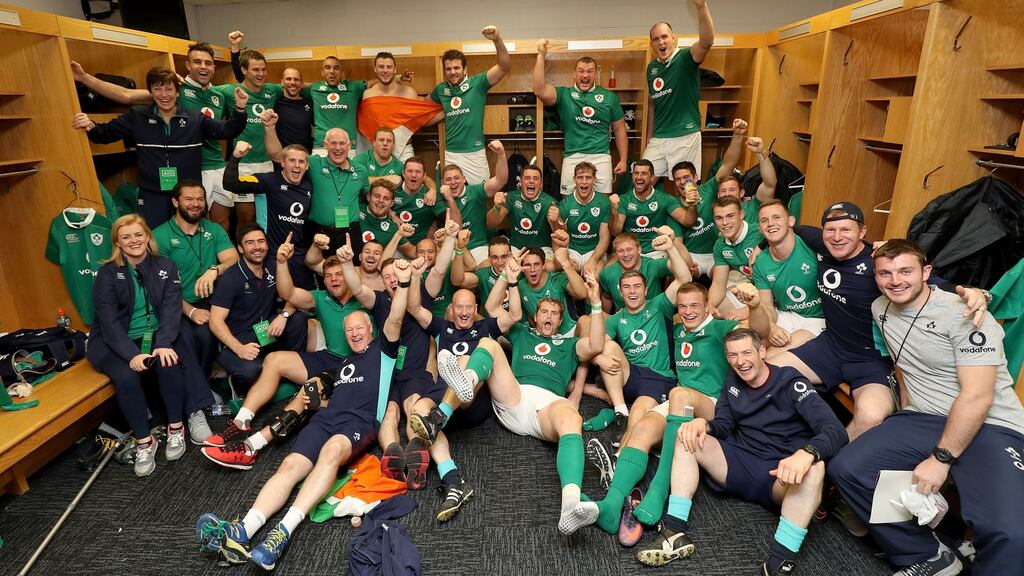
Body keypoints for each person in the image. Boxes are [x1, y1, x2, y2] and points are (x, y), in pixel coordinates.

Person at [196, 261, 408, 570]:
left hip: (358, 423)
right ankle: (244, 529)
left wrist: (402, 285)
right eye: (349, 331)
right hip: (326, 419)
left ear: (371, 330)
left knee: (333, 450)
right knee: (290, 465)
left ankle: (282, 532)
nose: (354, 333)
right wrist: (312, 403)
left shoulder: (383, 352)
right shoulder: (344, 364)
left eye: (360, 328)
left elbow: (396, 319)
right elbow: (327, 397)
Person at [828, 240, 1024, 576]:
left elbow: (977, 397)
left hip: (990, 424)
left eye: (906, 271)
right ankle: (927, 554)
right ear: (876, 278)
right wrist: (902, 413)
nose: (896, 280)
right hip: (922, 417)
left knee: (1012, 532)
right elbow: (903, 365)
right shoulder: (881, 308)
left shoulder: (966, 314)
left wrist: (940, 459)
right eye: (885, 273)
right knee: (848, 468)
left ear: (926, 273)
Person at [635, 328, 846, 576]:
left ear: (762, 352)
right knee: (687, 435)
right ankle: (674, 533)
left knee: (815, 467)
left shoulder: (791, 382)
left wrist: (806, 453)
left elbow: (835, 431)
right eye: (733, 355)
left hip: (780, 474)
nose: (741, 361)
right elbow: (724, 424)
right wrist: (704, 424)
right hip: (740, 462)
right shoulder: (733, 380)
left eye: (747, 352)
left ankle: (779, 563)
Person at [430, 271, 606, 534]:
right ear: (535, 317)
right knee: (489, 344)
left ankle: (571, 502)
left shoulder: (569, 345)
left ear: (560, 320)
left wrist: (596, 303)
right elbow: (490, 309)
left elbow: (596, 343)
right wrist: (509, 279)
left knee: (573, 419)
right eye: (543, 312)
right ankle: (467, 382)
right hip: (514, 396)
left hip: (548, 406)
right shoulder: (523, 333)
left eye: (554, 313)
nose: (548, 317)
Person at [586, 282, 741, 547]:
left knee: (679, 394)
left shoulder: (718, 329)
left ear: (707, 307)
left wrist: (754, 306)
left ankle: (659, 491)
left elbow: (755, 332)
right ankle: (612, 506)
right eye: (683, 307)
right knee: (640, 429)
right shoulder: (679, 331)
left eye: (695, 306)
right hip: (679, 400)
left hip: (711, 405)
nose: (689, 311)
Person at [201, 237, 367, 470]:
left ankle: (252, 447)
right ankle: (241, 421)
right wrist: (280, 262)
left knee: (307, 392)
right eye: (328, 276)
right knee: (274, 359)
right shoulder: (320, 298)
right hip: (328, 357)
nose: (333, 280)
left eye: (339, 274)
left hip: (354, 367)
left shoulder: (365, 299)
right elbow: (287, 292)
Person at [70, 42, 241, 231]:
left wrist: (241, 109)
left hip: (188, 189)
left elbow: (227, 129)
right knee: (154, 239)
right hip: (153, 192)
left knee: (194, 234)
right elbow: (117, 110)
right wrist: (91, 123)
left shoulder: (201, 111)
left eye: (169, 90)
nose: (164, 94)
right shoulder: (140, 114)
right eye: (158, 89)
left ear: (177, 92)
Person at [400, 260, 523, 521]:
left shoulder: (484, 327)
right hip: (443, 393)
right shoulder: (441, 328)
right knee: (416, 413)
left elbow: (514, 316)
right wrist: (414, 276)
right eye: (460, 307)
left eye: (469, 307)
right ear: (452, 309)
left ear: (475, 309)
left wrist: (511, 282)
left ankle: (440, 414)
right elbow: (413, 307)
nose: (465, 312)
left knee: (466, 361)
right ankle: (454, 480)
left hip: (472, 401)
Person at [87, 215, 199, 477]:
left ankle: (175, 428)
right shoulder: (107, 274)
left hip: (155, 336)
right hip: (113, 342)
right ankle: (144, 442)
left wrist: (162, 344)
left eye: (138, 235)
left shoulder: (166, 266)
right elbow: (109, 323)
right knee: (126, 377)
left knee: (169, 361)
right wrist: (132, 355)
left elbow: (172, 310)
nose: (133, 241)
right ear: (118, 242)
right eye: (126, 237)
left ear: (148, 236)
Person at [589, 228, 691, 466]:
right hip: (631, 376)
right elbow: (596, 344)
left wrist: (669, 248)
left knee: (639, 415)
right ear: (620, 292)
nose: (632, 292)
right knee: (606, 345)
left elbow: (685, 280)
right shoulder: (616, 318)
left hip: (657, 379)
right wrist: (598, 359)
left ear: (645, 290)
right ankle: (619, 409)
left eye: (637, 287)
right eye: (627, 288)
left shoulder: (659, 306)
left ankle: (618, 460)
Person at [151, 180, 238, 443]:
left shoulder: (212, 229)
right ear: (176, 202)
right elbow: (160, 287)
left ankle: (199, 388)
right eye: (189, 199)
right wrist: (189, 312)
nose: (196, 204)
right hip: (172, 305)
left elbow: (232, 257)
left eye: (200, 199)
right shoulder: (160, 236)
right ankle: (195, 409)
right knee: (187, 338)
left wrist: (214, 270)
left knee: (207, 335)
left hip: (209, 303)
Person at [208, 225, 307, 393]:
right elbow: (215, 321)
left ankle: (293, 371)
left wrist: (283, 315)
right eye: (250, 243)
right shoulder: (231, 278)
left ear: (267, 245)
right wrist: (239, 348)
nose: (257, 247)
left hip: (266, 331)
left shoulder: (274, 265)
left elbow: (293, 297)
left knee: (297, 319)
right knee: (250, 371)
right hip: (239, 339)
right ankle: (241, 388)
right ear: (240, 248)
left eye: (261, 241)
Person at [265, 113, 368, 258]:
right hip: (319, 233)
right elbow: (277, 156)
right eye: (333, 143)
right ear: (325, 145)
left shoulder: (360, 170)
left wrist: (392, 215)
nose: (338, 148)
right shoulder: (313, 163)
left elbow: (372, 197)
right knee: (320, 273)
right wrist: (269, 127)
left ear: (349, 145)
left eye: (342, 143)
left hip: (350, 233)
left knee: (352, 273)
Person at [533, 40, 627, 195]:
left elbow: (619, 129)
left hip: (601, 156)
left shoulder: (609, 97)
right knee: (569, 204)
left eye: (590, 71)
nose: (585, 75)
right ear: (574, 74)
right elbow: (539, 89)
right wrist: (541, 55)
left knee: (602, 205)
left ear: (595, 74)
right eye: (581, 71)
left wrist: (623, 159)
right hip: (572, 156)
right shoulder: (565, 94)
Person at [224, 141, 315, 289]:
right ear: (283, 162)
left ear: (307, 166)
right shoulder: (267, 181)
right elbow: (231, 184)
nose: (297, 165)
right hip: (271, 254)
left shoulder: (309, 186)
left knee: (306, 302)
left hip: (298, 255)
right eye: (292, 160)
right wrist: (235, 157)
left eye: (301, 161)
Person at [743, 200, 826, 354]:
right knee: (749, 346)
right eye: (764, 220)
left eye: (776, 217)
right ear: (760, 228)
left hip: (819, 318)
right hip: (787, 314)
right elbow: (767, 304)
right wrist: (772, 327)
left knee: (773, 355)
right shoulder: (760, 262)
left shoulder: (811, 246)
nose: (770, 223)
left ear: (791, 221)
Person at [644, 1, 715, 178]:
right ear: (652, 44)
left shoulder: (685, 59)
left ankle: (685, 207)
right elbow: (653, 105)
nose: (661, 42)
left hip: (686, 135)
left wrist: (701, 7)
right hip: (659, 138)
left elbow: (706, 42)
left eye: (664, 37)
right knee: (642, 178)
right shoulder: (652, 68)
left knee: (686, 189)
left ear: (673, 38)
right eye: (656, 39)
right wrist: (649, 139)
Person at [431, 26, 511, 184]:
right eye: (448, 69)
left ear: (465, 68)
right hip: (452, 154)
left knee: (480, 198)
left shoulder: (478, 83)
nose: (452, 72)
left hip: (475, 154)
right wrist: (442, 114)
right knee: (453, 199)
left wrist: (496, 39)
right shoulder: (441, 90)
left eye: (456, 68)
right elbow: (422, 110)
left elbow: (504, 67)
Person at [671, 118, 749, 277]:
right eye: (677, 179)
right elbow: (678, 243)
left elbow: (728, 164)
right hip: (692, 255)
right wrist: (688, 264)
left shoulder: (709, 189)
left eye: (686, 178)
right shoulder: (673, 206)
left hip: (716, 251)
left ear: (695, 178)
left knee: (725, 278)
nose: (682, 182)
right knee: (680, 274)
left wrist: (738, 136)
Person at [609, 160, 694, 257]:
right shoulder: (624, 199)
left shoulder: (665, 199)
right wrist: (614, 211)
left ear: (652, 177)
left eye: (644, 173)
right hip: (631, 252)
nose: (639, 177)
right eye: (636, 173)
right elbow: (616, 232)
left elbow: (687, 221)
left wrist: (692, 205)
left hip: (657, 251)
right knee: (606, 271)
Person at [442, 139, 508, 262]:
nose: (453, 182)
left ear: (464, 179)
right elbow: (457, 227)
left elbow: (500, 180)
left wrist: (501, 154)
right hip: (454, 248)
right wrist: (450, 199)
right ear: (442, 183)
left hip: (479, 247)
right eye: (448, 179)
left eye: (457, 178)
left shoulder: (475, 192)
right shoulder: (441, 198)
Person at [707, 195, 765, 320]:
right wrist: (710, 305)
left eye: (730, 216)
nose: (725, 223)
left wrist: (748, 310)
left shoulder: (760, 234)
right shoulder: (720, 244)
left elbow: (777, 279)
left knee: (740, 326)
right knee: (707, 315)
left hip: (773, 296)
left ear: (742, 214)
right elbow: (718, 284)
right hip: (750, 290)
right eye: (719, 218)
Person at [550, 162, 613, 274]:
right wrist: (566, 259)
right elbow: (557, 238)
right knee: (568, 279)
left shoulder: (604, 203)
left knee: (595, 276)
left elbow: (604, 238)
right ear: (574, 180)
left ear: (594, 180)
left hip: (594, 252)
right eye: (580, 177)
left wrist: (592, 260)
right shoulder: (565, 204)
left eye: (588, 177)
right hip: (572, 251)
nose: (584, 181)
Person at [490, 165, 556, 256]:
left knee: (548, 267)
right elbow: (491, 224)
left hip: (542, 249)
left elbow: (559, 233)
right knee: (505, 264)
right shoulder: (511, 198)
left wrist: (556, 221)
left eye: (535, 178)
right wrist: (496, 207)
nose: (531, 181)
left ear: (541, 184)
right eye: (527, 178)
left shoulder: (549, 202)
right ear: (520, 182)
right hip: (516, 248)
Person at [598, 232, 673, 312]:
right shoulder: (607, 273)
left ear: (639, 250)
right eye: (620, 251)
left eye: (629, 249)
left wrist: (671, 247)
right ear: (616, 253)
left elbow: (679, 269)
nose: (626, 254)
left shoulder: (651, 266)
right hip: (623, 320)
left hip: (652, 317)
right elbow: (606, 298)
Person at [393, 156, 451, 244]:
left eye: (418, 172)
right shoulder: (393, 191)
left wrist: (437, 227)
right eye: (410, 171)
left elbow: (448, 219)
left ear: (424, 175)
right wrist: (392, 215)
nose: (414, 175)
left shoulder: (431, 194)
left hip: (423, 248)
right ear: (403, 173)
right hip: (396, 244)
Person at [451, 235, 512, 318]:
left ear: (510, 256)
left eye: (504, 256)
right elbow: (458, 281)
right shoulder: (484, 275)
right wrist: (459, 250)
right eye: (495, 257)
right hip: (491, 327)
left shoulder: (521, 272)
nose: (500, 262)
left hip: (518, 326)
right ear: (489, 258)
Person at [358, 179, 416, 258]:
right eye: (377, 196)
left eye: (386, 198)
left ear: (392, 203)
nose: (381, 201)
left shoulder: (394, 228)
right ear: (368, 197)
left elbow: (412, 252)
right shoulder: (356, 210)